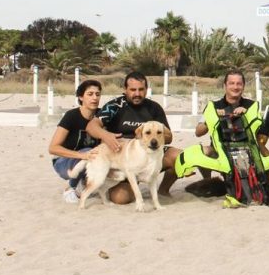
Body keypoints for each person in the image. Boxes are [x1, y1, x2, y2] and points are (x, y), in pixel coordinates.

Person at [86, 71, 180, 204]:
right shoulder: (115, 106)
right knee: (121, 198)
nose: (137, 93)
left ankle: (163, 190)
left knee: (179, 157)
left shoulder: (154, 108)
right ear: (125, 90)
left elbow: (168, 137)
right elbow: (91, 126)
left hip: (151, 153)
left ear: (146, 90)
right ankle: (121, 186)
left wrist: (155, 136)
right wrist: (106, 136)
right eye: (133, 90)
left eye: (141, 89)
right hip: (124, 159)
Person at [48, 80, 102, 203]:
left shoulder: (101, 115)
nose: (94, 98)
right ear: (81, 97)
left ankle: (84, 181)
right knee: (90, 152)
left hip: (90, 159)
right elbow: (53, 148)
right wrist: (82, 155)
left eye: (97, 94)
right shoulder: (72, 116)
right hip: (64, 162)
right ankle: (70, 188)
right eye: (90, 94)